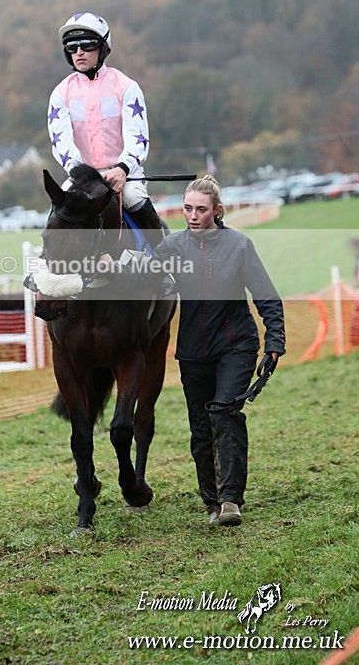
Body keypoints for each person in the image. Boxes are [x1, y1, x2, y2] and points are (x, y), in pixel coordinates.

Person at [99, 174, 286, 527]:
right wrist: (116, 269)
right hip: (193, 351)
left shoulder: (239, 246)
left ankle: (231, 500)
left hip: (236, 345)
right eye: (187, 208)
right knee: (200, 429)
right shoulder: (174, 249)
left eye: (201, 209)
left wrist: (275, 339)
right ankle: (212, 503)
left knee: (224, 414)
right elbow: (146, 278)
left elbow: (266, 295)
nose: (193, 215)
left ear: (217, 211)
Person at [47, 11, 161, 229]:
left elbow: (138, 138)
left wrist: (123, 169)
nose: (79, 52)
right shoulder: (60, 94)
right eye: (72, 47)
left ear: (103, 48)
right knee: (57, 211)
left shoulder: (127, 87)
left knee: (135, 200)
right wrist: (81, 174)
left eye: (87, 45)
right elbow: (61, 143)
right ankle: (48, 260)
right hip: (81, 175)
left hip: (123, 173)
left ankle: (162, 257)